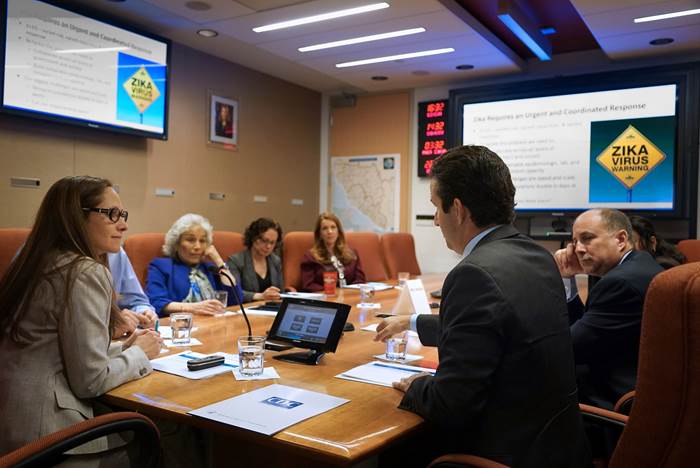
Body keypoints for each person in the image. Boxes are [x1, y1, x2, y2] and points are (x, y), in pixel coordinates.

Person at [374, 146, 590, 466]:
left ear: (458, 209)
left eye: (436, 207)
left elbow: (451, 405)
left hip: (504, 452)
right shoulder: (539, 257)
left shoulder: (473, 274)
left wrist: (417, 386)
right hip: (559, 446)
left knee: (390, 450)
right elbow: (497, 330)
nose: (435, 220)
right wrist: (413, 322)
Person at [0, 176, 162, 458]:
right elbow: (90, 381)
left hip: (14, 420)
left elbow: (53, 348)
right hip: (50, 435)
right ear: (77, 217)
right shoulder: (85, 271)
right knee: (170, 437)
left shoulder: (36, 259)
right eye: (112, 215)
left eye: (122, 215)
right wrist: (139, 354)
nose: (123, 224)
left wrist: (123, 347)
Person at [555, 209, 664, 409]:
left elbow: (570, 348)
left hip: (615, 397)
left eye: (587, 238)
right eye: (574, 241)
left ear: (621, 239)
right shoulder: (639, 265)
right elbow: (587, 326)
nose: (578, 249)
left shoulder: (620, 283)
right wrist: (567, 277)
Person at [146, 213, 243, 316]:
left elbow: (236, 299)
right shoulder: (161, 266)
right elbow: (155, 302)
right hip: (181, 326)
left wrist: (218, 260)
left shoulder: (210, 268)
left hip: (214, 324)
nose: (197, 246)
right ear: (176, 243)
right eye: (190, 240)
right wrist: (193, 307)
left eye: (202, 241)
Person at [300, 213, 365, 292]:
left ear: (338, 231)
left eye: (333, 227)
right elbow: (308, 285)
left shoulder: (352, 254)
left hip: (350, 297)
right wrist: (334, 292)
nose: (330, 232)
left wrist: (347, 292)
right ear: (319, 233)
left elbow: (360, 280)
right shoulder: (310, 257)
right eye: (325, 228)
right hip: (326, 299)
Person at [226, 217, 284, 302]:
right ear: (254, 237)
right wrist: (260, 296)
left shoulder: (275, 261)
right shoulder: (236, 261)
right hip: (246, 309)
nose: (268, 246)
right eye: (265, 241)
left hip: (271, 309)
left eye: (272, 243)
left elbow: (281, 291)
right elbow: (234, 293)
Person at [109, 247, 158, 338]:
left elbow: (136, 301)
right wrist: (109, 323)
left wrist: (143, 312)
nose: (123, 231)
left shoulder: (117, 253)